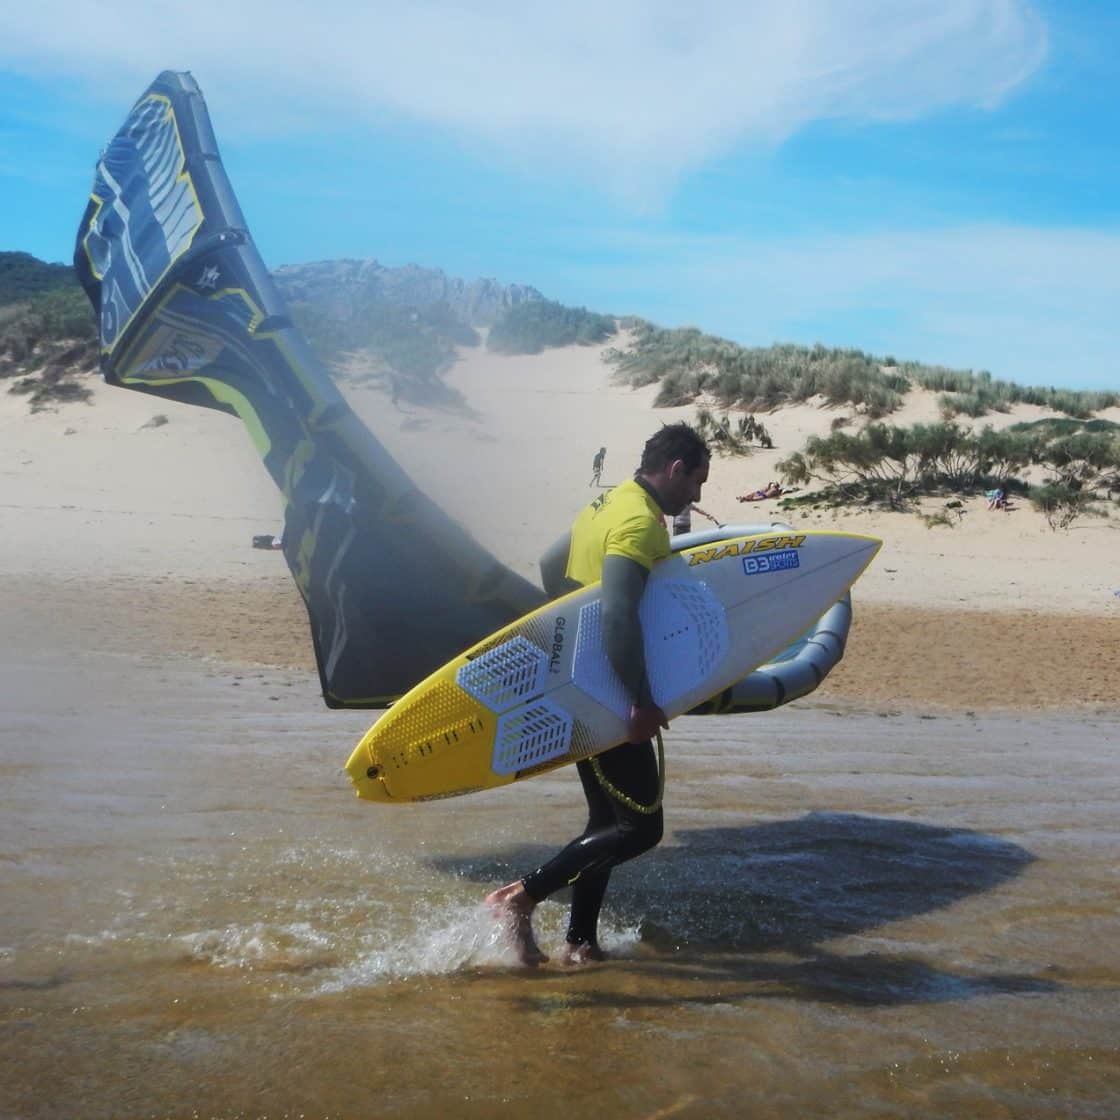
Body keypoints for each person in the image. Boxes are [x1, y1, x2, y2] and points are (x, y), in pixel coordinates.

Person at [486, 423, 711, 966]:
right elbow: (618, 614)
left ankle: (580, 943)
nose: (698, 497)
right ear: (676, 469)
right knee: (640, 828)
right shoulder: (637, 522)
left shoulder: (606, 504)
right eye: (696, 482)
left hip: (582, 684)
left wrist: (572, 632)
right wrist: (639, 700)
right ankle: (520, 898)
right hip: (612, 689)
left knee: (605, 824)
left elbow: (548, 563)